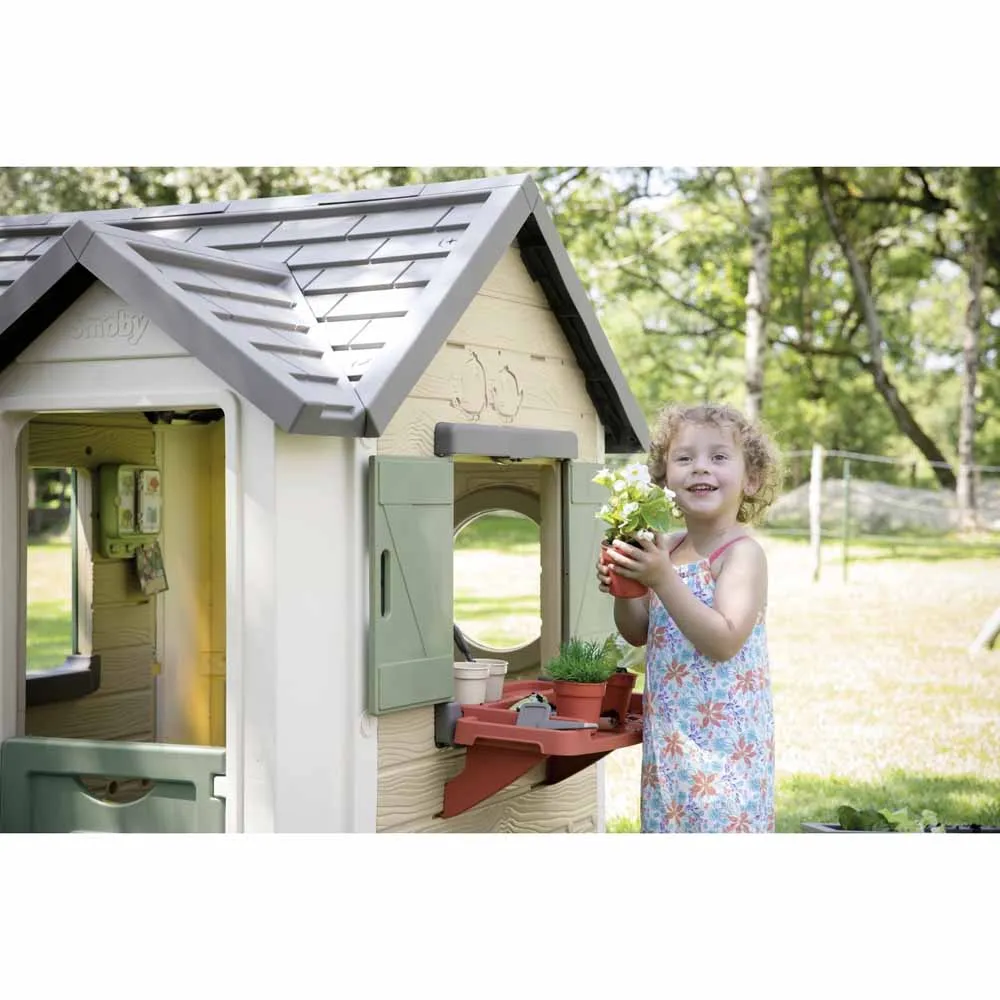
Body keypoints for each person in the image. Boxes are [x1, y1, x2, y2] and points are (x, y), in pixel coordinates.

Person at [597, 402, 782, 832]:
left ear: (751, 478)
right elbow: (638, 631)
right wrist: (625, 586)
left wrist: (662, 579)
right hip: (673, 747)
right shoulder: (667, 547)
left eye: (718, 457)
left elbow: (723, 641)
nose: (701, 467)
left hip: (727, 751)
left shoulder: (741, 554)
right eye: (684, 458)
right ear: (664, 478)